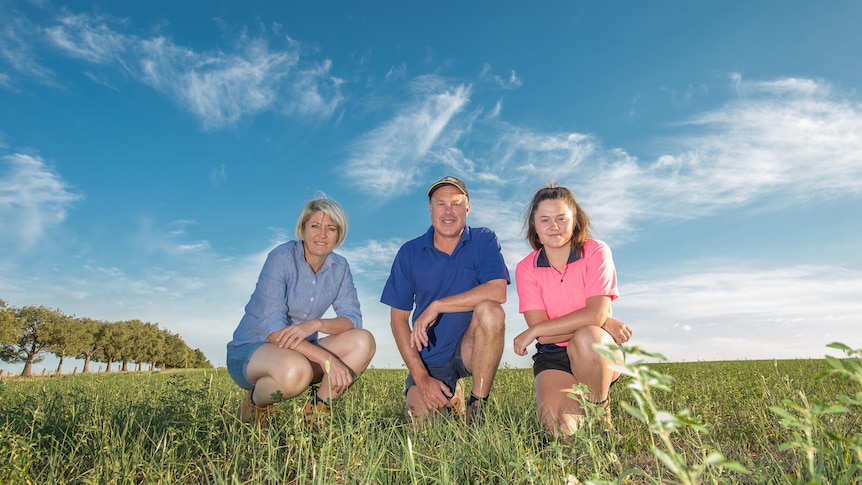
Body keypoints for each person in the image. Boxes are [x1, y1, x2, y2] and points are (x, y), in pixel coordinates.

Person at [227, 197, 376, 426]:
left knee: (363, 341)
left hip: (301, 352)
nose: (322, 234)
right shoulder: (282, 257)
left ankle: (317, 413)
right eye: (315, 226)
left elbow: (352, 318)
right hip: (252, 350)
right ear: (303, 229)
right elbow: (274, 330)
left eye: (331, 228)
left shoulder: (340, 267)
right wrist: (328, 360)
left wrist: (317, 324)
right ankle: (255, 405)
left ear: (339, 235)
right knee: (296, 370)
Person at [381, 176, 509, 425]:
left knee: (491, 311)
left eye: (456, 204)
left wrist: (437, 306)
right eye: (441, 204)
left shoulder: (484, 239)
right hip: (432, 358)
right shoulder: (409, 252)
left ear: (467, 208)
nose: (448, 212)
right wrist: (421, 378)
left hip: (471, 349)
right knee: (424, 433)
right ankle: (451, 393)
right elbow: (398, 320)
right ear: (430, 208)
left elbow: (498, 291)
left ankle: (477, 408)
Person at [513, 184, 632, 436]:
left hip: (596, 353)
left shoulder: (596, 251)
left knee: (589, 336)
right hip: (553, 356)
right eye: (544, 220)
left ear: (574, 220)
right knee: (559, 433)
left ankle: (600, 411)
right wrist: (604, 321)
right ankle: (577, 413)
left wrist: (537, 329)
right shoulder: (526, 268)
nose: (553, 226)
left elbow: (588, 318)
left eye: (561, 218)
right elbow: (545, 338)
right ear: (534, 225)